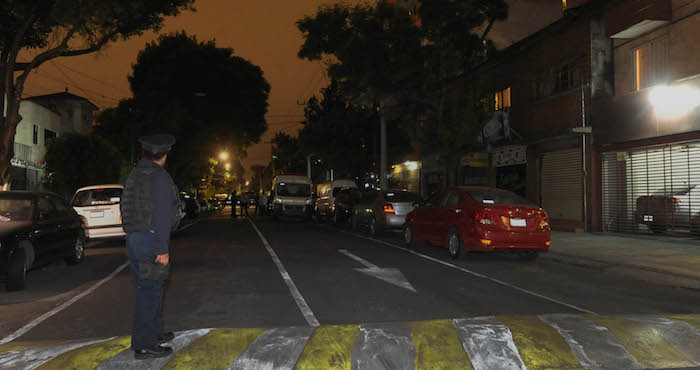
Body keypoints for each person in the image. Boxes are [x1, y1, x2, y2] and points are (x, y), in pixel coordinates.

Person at [120, 134, 180, 360]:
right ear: (163, 155)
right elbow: (163, 215)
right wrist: (162, 249)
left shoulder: (134, 175)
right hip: (152, 239)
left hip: (134, 238)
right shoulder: (159, 177)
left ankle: (155, 333)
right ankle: (144, 345)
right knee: (150, 292)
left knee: (151, 288)